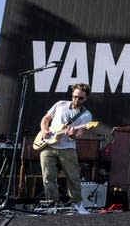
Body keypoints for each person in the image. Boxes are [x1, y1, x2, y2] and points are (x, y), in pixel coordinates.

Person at [38, 83, 93, 213]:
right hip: (48, 145)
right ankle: (52, 205)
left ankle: (77, 204)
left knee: (73, 178)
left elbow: (80, 134)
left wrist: (73, 135)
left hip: (67, 148)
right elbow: (46, 118)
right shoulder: (60, 104)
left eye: (80, 98)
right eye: (75, 97)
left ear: (86, 98)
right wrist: (45, 129)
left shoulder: (86, 115)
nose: (76, 100)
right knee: (48, 178)